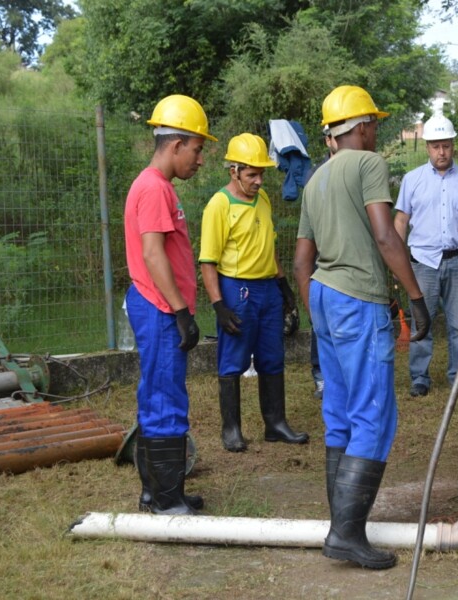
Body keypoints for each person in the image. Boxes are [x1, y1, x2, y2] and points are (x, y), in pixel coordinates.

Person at [293, 85, 431, 570]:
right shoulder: (369, 165)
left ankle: (341, 525)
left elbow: (300, 261)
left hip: (325, 297)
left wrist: (318, 316)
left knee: (340, 413)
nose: (377, 130)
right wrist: (415, 297)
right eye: (374, 123)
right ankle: (347, 535)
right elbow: (385, 235)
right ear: (362, 127)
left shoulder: (315, 180)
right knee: (373, 414)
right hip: (358, 298)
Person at [124, 94, 215, 515]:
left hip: (157, 306)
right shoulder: (154, 188)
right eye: (197, 150)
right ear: (175, 144)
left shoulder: (154, 186)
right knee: (166, 400)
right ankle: (166, 500)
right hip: (160, 309)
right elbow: (154, 254)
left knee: (156, 396)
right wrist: (181, 311)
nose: (199, 160)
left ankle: (156, 492)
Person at [199, 133, 309, 453]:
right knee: (233, 359)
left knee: (272, 357)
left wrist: (282, 283)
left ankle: (275, 424)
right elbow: (208, 261)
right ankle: (231, 429)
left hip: (267, 289)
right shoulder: (219, 205)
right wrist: (218, 304)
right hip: (237, 289)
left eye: (261, 173)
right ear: (233, 171)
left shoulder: (262, 200)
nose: (259, 181)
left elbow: (268, 243)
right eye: (252, 174)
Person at [394, 114, 458, 398]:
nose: (441, 152)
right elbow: (400, 221)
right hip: (423, 263)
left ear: (453, 145)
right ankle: (419, 377)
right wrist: (396, 262)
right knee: (423, 320)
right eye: (435, 146)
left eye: (446, 146)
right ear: (427, 147)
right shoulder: (412, 180)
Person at [309, 126, 339, 400]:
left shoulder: (359, 168)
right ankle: (320, 376)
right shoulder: (316, 176)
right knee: (321, 326)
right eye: (333, 136)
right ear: (327, 140)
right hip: (323, 261)